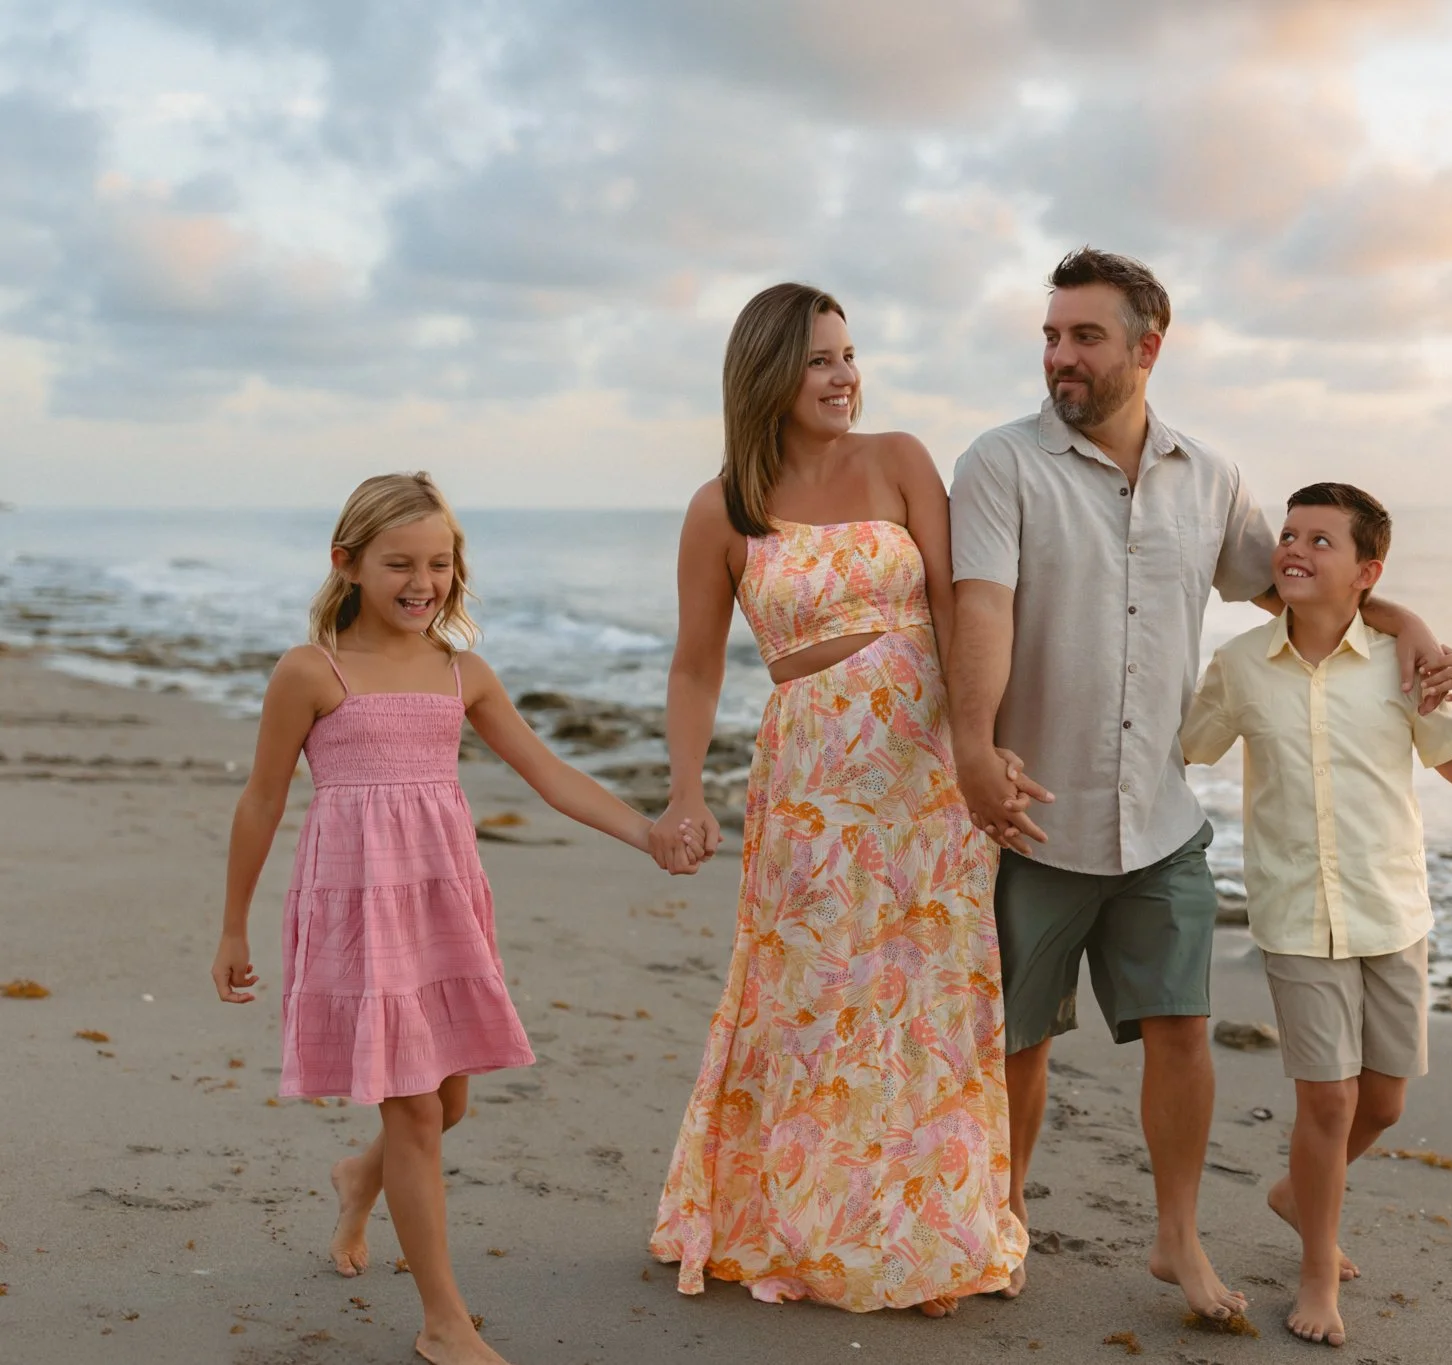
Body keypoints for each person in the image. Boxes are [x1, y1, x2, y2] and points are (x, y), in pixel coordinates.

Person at [945, 249, 1447, 1318]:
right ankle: (1004, 1217)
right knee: (1020, 1044)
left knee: (1180, 1033)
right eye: (1050, 335)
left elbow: (1296, 589)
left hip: (1160, 822)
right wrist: (974, 749)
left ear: (1146, 348)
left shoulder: (1209, 478)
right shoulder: (999, 464)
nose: (1059, 356)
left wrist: (1410, 629)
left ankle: (1176, 1238)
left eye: (1084, 336)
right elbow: (980, 607)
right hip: (1034, 814)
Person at [209, 472, 681, 1365]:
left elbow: (550, 774)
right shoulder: (314, 670)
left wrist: (645, 831)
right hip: (359, 910)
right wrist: (233, 925)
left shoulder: (462, 671)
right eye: (398, 563)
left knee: (447, 1101)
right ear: (347, 563)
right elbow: (261, 800)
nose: (421, 581)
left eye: (438, 562)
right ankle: (443, 1323)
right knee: (417, 1111)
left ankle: (360, 1176)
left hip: (442, 904)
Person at [645, 283, 1027, 1315]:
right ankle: (804, 1221)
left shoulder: (901, 459)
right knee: (811, 998)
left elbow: (957, 608)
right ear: (768, 370)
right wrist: (685, 792)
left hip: (922, 770)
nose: (845, 376)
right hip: (809, 780)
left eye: (849, 355)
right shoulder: (721, 506)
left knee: (927, 997)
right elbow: (693, 669)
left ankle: (929, 1230)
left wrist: (979, 747)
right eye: (821, 358)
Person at [1181, 482, 1452, 1347]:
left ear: (1367, 571)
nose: (1294, 547)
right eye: (1289, 534)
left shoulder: (1403, 667)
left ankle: (1298, 1194)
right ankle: (1318, 1266)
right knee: (1326, 1100)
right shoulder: (1244, 665)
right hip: (1295, 914)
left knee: (1386, 1103)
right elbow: (1185, 744)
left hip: (1391, 909)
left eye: (1321, 540)